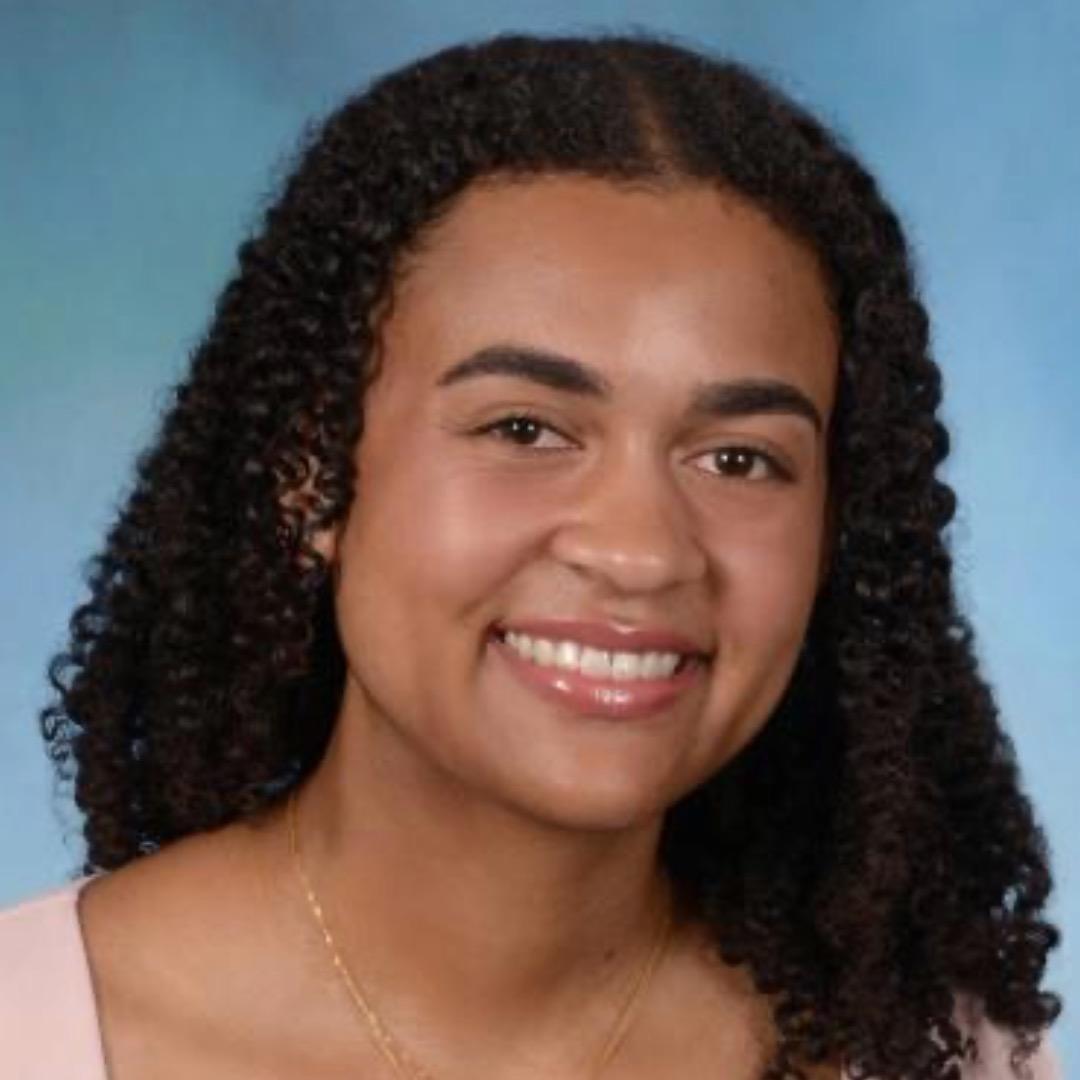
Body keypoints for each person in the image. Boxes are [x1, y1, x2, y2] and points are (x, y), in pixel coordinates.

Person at [0, 31, 1063, 1080]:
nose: (642, 553)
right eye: (524, 430)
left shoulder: (944, 1054)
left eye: (739, 457)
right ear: (310, 476)